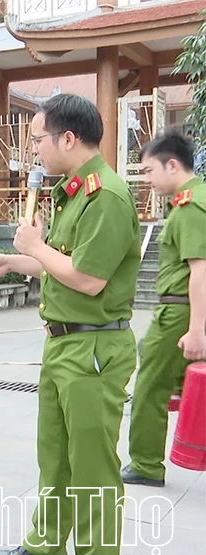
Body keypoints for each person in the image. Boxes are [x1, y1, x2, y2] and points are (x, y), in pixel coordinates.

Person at [0, 94, 140, 555]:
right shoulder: (75, 192)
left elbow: (87, 279)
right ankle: (47, 545)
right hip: (63, 343)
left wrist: (35, 246)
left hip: (94, 349)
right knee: (56, 456)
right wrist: (15, 260)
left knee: (93, 470)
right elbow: (58, 262)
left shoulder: (105, 196)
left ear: (68, 137)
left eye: (38, 139)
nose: (34, 150)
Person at [123, 132, 206, 487]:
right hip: (184, 310)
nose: (147, 179)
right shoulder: (193, 200)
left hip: (179, 313)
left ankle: (145, 463)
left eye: (149, 170)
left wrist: (196, 329)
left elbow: (200, 268)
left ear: (173, 165)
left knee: (150, 387)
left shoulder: (190, 206)